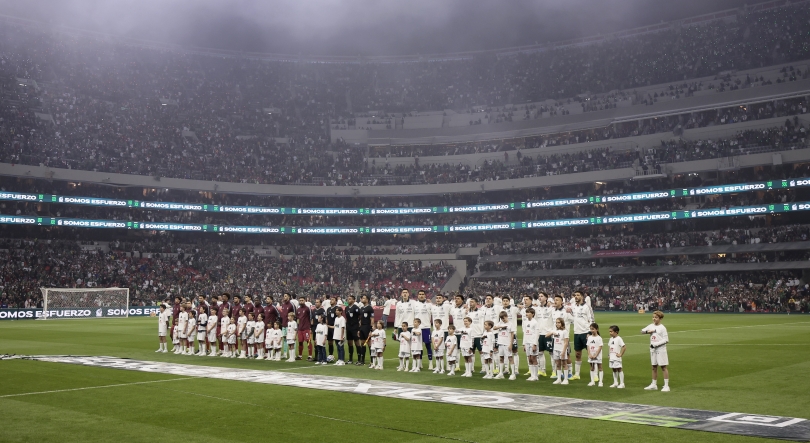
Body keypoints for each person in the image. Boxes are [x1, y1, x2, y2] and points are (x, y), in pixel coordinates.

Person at [642, 311, 670, 392]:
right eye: (653, 317)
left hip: (661, 349)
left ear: (660, 319)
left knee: (663, 367)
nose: (654, 319)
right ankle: (654, 384)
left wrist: (656, 344)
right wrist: (648, 332)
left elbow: (666, 340)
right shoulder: (651, 326)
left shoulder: (662, 328)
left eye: (656, 317)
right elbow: (642, 331)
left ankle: (666, 385)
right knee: (654, 367)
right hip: (653, 349)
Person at [570, 291, 595, 380]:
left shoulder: (587, 307)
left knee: (590, 353)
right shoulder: (573, 307)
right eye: (575, 295)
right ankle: (577, 374)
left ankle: (594, 374)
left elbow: (592, 319)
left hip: (586, 332)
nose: (576, 297)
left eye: (578, 295)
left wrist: (590, 332)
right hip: (577, 333)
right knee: (577, 354)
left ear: (582, 296)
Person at [551, 294, 573, 379]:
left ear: (561, 302)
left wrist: (570, 312)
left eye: (557, 300)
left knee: (567, 355)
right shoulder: (553, 311)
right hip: (555, 337)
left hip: (564, 337)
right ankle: (559, 374)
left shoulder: (566, 311)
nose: (555, 301)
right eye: (554, 300)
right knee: (556, 355)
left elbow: (573, 319)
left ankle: (570, 373)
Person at [535, 293, 554, 377]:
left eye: (542, 296)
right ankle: (542, 370)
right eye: (539, 296)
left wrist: (551, 303)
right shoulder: (537, 309)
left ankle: (554, 371)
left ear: (546, 298)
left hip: (548, 333)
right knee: (540, 353)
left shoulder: (551, 308)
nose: (540, 297)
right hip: (540, 333)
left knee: (552, 353)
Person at [499, 296, 519, 376]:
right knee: (504, 352)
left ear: (509, 301)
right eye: (504, 301)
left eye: (507, 300)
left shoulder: (514, 309)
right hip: (503, 334)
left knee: (515, 352)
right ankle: (506, 369)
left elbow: (522, 310)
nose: (505, 302)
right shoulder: (500, 309)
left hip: (512, 333)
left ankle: (516, 369)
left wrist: (520, 306)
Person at [414, 290, 433, 369]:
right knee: (419, 347)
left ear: (425, 295)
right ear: (417, 295)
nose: (421, 295)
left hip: (426, 327)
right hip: (418, 328)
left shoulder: (429, 305)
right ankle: (420, 363)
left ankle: (430, 363)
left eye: (423, 294)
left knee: (428, 346)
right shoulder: (414, 305)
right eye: (420, 294)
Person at [494, 311, 515, 380]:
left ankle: (513, 374)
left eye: (504, 318)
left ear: (506, 316)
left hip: (507, 343)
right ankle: (500, 373)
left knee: (510, 358)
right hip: (500, 343)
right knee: (501, 358)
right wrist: (501, 326)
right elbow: (494, 328)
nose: (503, 319)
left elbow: (512, 335)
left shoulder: (511, 324)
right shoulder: (500, 323)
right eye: (502, 318)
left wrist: (511, 344)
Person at [548, 317, 569, 385]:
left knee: (564, 364)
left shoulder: (565, 331)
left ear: (562, 323)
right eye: (556, 322)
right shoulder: (555, 331)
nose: (557, 324)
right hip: (556, 349)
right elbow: (546, 336)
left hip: (562, 349)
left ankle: (566, 379)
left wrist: (563, 351)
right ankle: (559, 378)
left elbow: (566, 342)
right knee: (558, 364)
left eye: (559, 322)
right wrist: (552, 333)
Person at [522, 307, 539, 381]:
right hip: (527, 342)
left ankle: (535, 376)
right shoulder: (525, 322)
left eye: (528, 312)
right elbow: (525, 333)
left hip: (532, 342)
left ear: (532, 314)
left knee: (533, 358)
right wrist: (524, 344)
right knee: (529, 359)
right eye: (526, 312)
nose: (527, 314)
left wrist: (534, 344)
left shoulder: (535, 322)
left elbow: (537, 334)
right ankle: (532, 375)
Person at [358, 294, 375, 366]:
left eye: (364, 298)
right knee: (362, 343)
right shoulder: (361, 308)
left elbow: (372, 319)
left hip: (367, 327)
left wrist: (371, 329)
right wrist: (359, 329)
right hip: (362, 327)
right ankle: (362, 360)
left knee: (369, 344)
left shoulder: (370, 308)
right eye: (362, 298)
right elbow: (361, 319)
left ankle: (372, 361)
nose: (362, 299)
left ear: (367, 300)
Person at [345, 295, 362, 365]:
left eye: (350, 299)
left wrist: (359, 327)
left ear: (354, 300)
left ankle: (359, 359)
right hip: (348, 327)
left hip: (355, 327)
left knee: (357, 342)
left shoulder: (356, 308)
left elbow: (360, 316)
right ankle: (350, 359)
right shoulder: (346, 308)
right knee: (349, 343)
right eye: (348, 299)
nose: (348, 300)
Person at [296, 296, 313, 361]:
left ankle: (310, 356)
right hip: (300, 328)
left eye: (302, 300)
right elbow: (297, 319)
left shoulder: (307, 309)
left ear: (305, 301)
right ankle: (300, 356)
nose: (301, 302)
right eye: (300, 300)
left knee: (308, 341)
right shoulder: (298, 310)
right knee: (300, 342)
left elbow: (311, 318)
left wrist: (310, 327)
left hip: (306, 328)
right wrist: (298, 327)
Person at [586, 323, 603, 387]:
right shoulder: (589, 337)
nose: (591, 330)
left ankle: (600, 382)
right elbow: (588, 346)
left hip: (597, 355)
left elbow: (600, 347)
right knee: (592, 367)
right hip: (591, 355)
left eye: (593, 329)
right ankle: (592, 381)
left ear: (597, 329)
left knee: (600, 367)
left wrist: (596, 354)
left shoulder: (599, 338)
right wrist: (589, 354)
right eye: (591, 329)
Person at [279, 293, 294, 359]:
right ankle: (285, 353)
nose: (284, 297)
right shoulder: (283, 305)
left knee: (291, 339)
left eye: (285, 296)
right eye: (284, 296)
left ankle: (293, 354)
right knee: (284, 339)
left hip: (290, 325)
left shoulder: (291, 305)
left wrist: (292, 324)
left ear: (289, 297)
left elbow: (294, 315)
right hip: (283, 324)